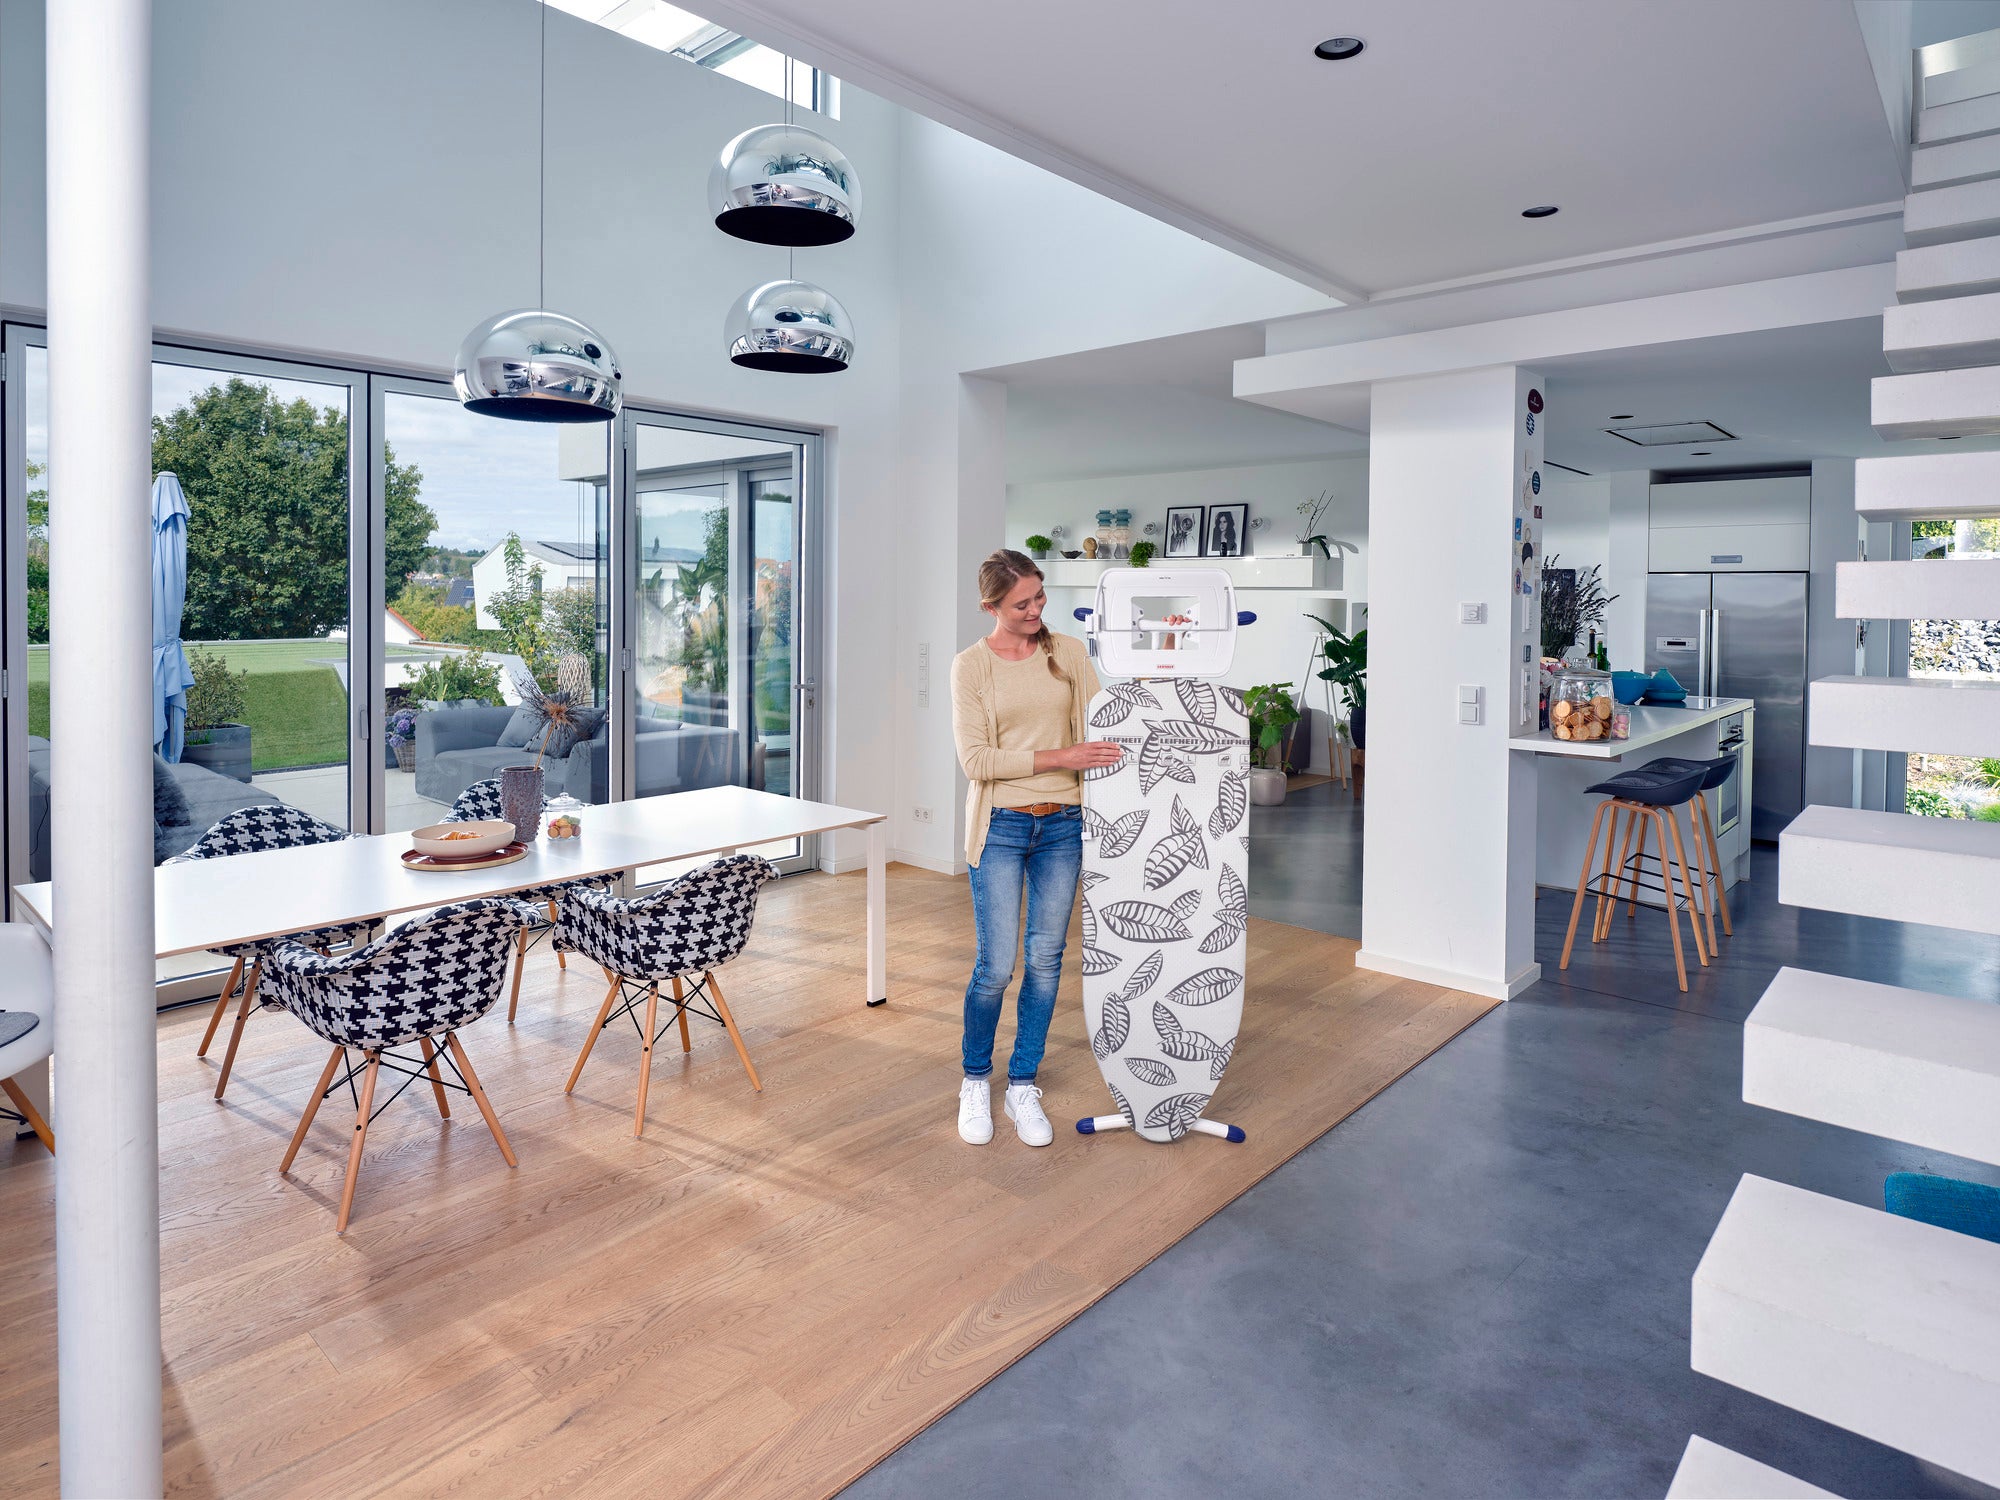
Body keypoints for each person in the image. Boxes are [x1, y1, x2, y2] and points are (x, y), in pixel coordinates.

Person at [949, 549, 1121, 1146]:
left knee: (1046, 961)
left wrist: (1163, 658)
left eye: (1039, 597)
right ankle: (976, 1080)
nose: (1035, 610)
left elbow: (1107, 723)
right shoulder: (970, 667)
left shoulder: (1067, 652)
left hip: (1064, 826)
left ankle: (1022, 1083)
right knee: (996, 966)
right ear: (991, 605)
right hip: (999, 824)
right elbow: (976, 762)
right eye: (1022, 603)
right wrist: (1059, 758)